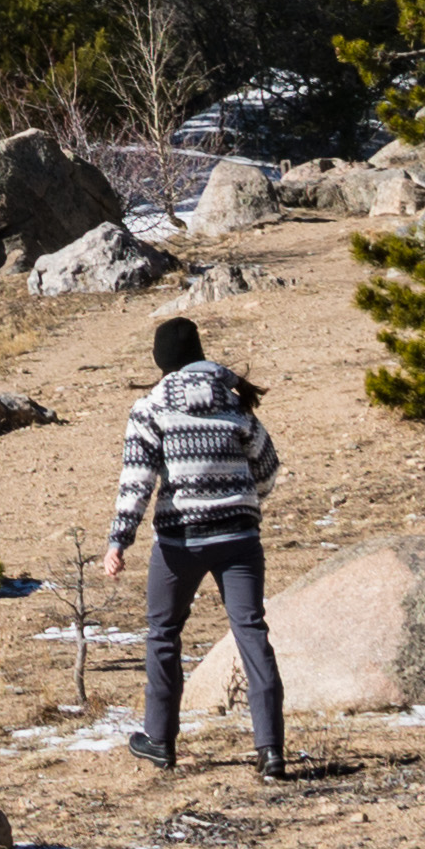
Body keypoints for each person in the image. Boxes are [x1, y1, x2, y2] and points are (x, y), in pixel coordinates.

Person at [106, 312, 285, 779]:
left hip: (180, 542)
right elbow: (267, 467)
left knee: (163, 634)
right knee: (252, 634)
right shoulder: (235, 402)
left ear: (162, 360)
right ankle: (271, 751)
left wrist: (119, 541)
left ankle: (160, 741)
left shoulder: (150, 408)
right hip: (240, 540)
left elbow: (136, 483)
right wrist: (245, 502)